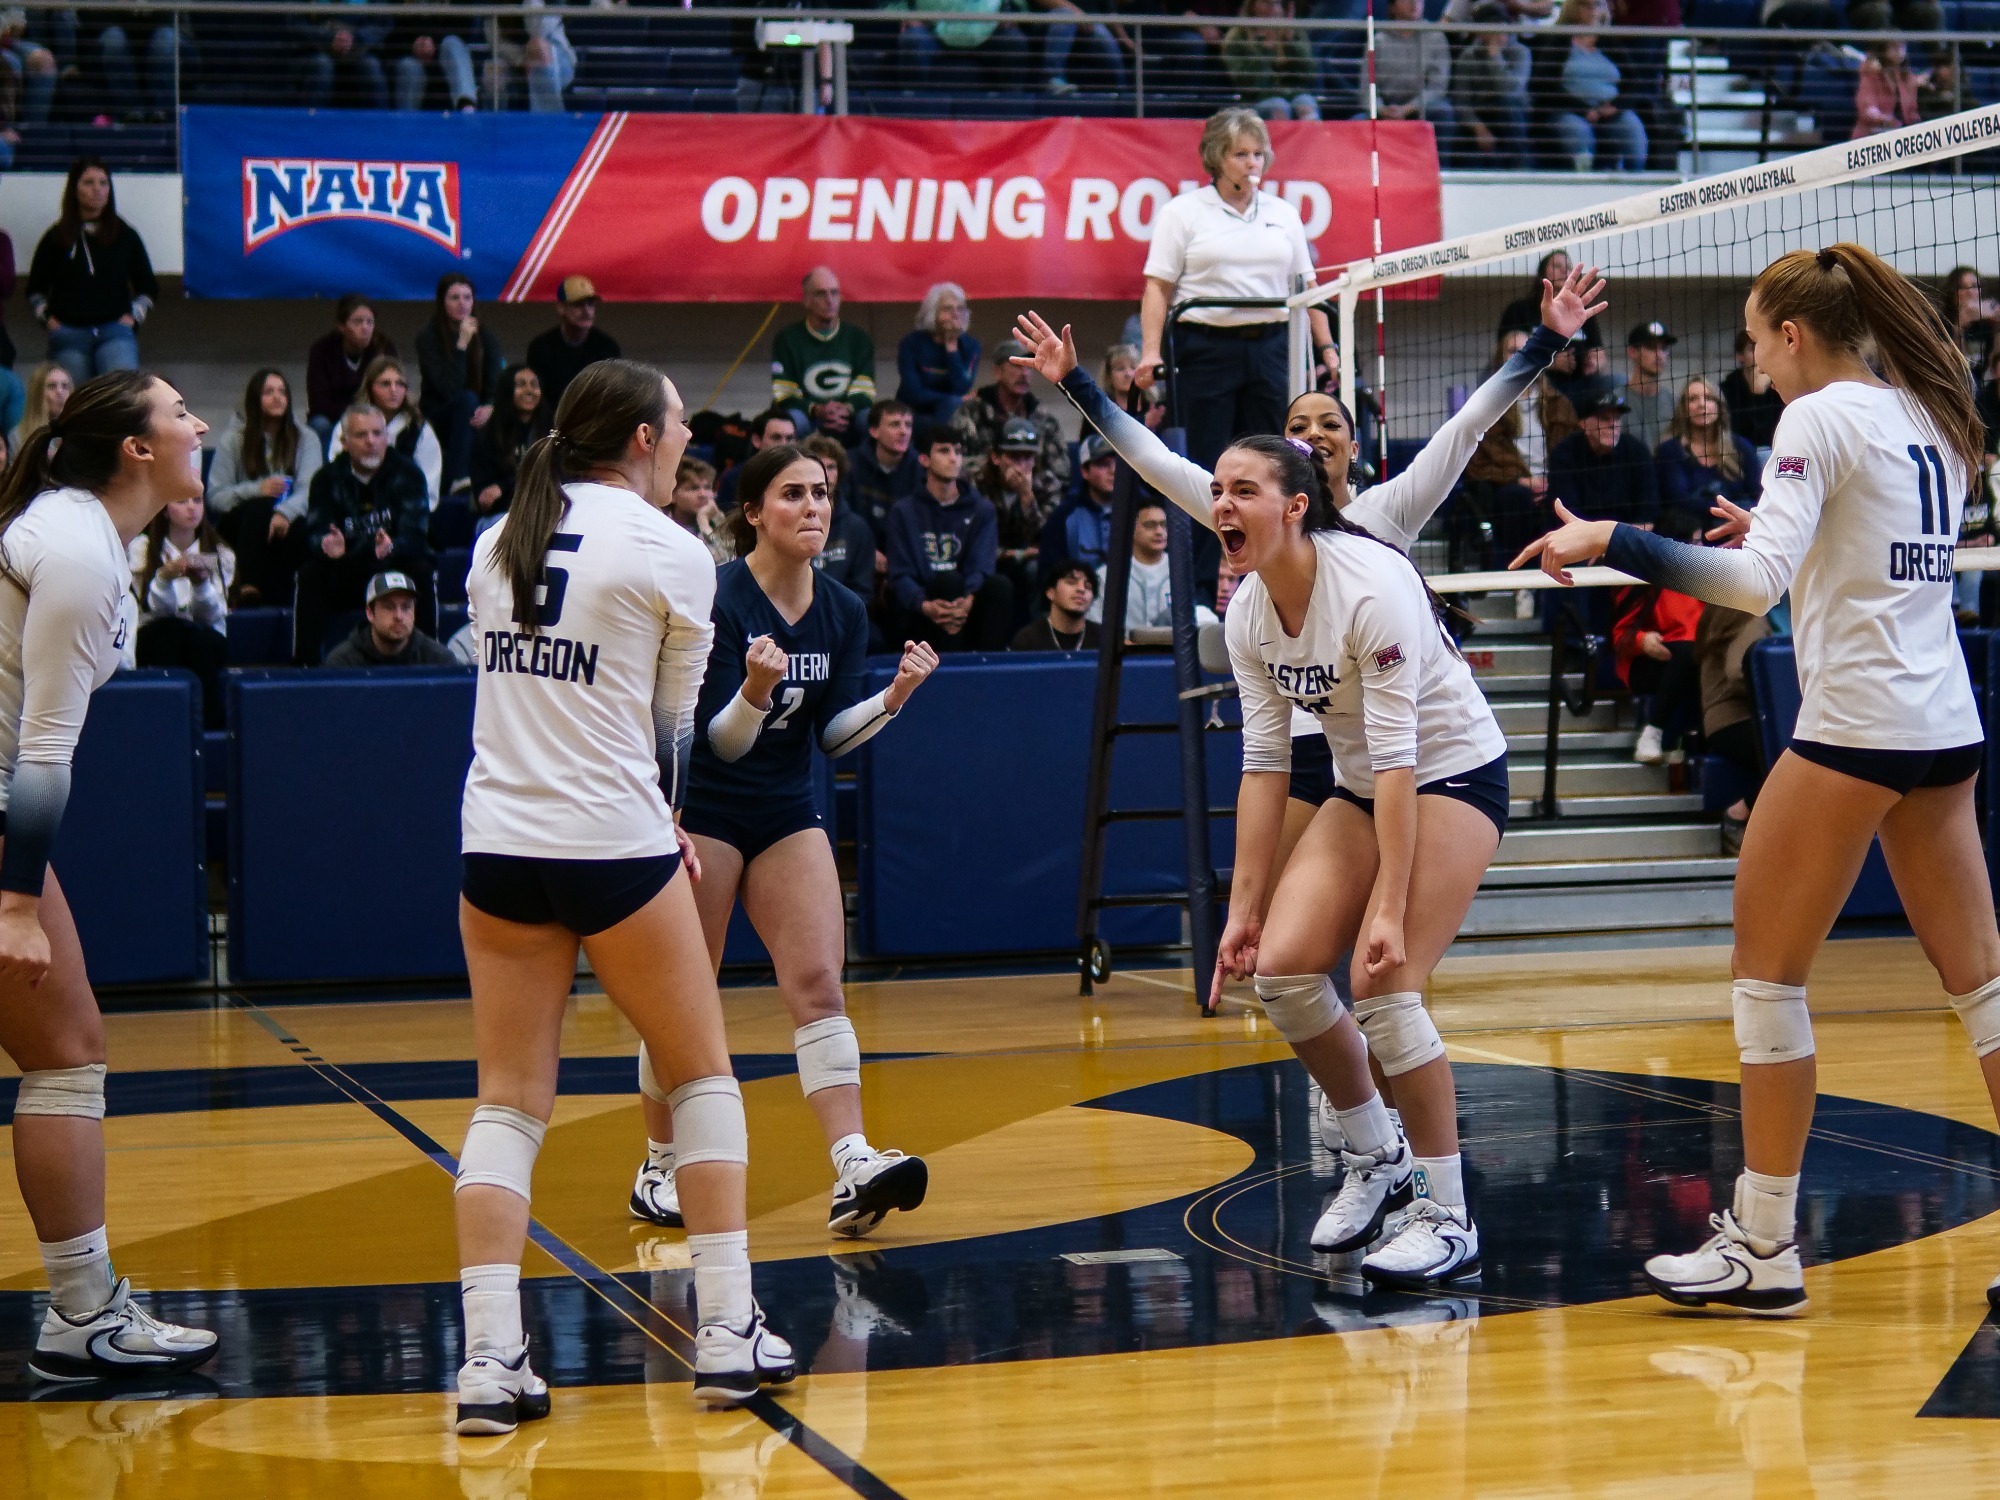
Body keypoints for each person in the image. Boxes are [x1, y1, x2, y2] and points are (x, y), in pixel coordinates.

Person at [1512, 241, 2000, 1318]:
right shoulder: (1926, 410)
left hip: (1855, 727)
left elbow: (1748, 584)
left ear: (1790, 333)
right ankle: (1760, 1240)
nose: (1748, 358)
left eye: (1749, 336)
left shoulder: (1816, 416)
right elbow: (1874, 554)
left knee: (1765, 977)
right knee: (1984, 993)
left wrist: (1609, 540)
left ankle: (1763, 1245)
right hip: (1943, 723)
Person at [1031, 320, 1512, 1283]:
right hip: (1354, 782)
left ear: (1296, 506)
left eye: (1241, 489)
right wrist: (1241, 910)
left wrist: (1383, 911)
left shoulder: (1369, 586)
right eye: (1215, 489)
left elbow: (1404, 766)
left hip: (1448, 774)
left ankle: (1449, 1214)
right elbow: (1261, 764)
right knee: (1285, 971)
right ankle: (1374, 1157)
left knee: (1385, 981)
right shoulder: (1250, 610)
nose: (1219, 502)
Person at [1022, 260, 1606, 912]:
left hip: (1394, 744)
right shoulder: (1247, 507)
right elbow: (1152, 460)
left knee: (1375, 934)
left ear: (1353, 447)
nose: (1312, 435)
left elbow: (1465, 426)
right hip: (1304, 742)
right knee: (1286, 919)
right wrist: (1075, 381)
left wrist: (1545, 342)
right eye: (1297, 426)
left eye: (1329, 424)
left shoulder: (1386, 510)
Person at [455, 357, 791, 1431]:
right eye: (681, 425)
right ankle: (728, 1330)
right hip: (611, 841)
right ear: (641, 438)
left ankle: (488, 1360)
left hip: (498, 842)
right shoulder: (671, 550)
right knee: (700, 1076)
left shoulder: (492, 541)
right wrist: (671, 828)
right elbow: (669, 731)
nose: (690, 439)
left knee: (507, 1099)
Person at [627, 442, 939, 1240]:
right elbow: (720, 744)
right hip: (704, 810)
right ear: (754, 513)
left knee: (819, 986)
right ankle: (657, 1166)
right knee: (679, 996)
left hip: (786, 807)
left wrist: (893, 699)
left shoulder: (841, 608)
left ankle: (853, 1162)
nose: (814, 507)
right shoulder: (718, 598)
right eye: (794, 494)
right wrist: (756, 692)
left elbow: (831, 741)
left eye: (823, 493)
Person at [0, 369, 219, 1381]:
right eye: (180, 413)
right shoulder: (82, 552)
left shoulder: (77, 532)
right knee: (67, 1053)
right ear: (137, 450)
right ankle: (84, 1315)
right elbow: (43, 755)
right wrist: (16, 901)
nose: (200, 421)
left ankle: (85, 1308)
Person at [1136, 108, 1337, 474]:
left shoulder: (1284, 213)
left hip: (1270, 348)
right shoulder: (1182, 212)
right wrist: (1151, 353)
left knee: (1269, 460)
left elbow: (1309, 289)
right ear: (1217, 158)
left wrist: (1328, 350)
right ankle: (1204, 532)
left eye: (1258, 154)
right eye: (1240, 155)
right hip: (1204, 349)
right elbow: (1157, 288)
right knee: (1205, 460)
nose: (1252, 164)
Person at [295, 403, 432, 664]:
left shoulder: (409, 474)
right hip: (345, 567)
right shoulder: (326, 479)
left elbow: (416, 534)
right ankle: (306, 665)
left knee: (422, 569)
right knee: (310, 574)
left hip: (392, 567)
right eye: (361, 435)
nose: (371, 441)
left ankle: (428, 662)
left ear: (387, 438)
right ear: (345, 442)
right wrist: (325, 543)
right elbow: (314, 531)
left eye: (377, 434)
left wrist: (394, 546)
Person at [26, 159, 157, 385]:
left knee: (122, 398)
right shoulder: (56, 237)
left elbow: (148, 286)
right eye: (88, 182)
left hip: (115, 332)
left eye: (103, 183)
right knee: (74, 405)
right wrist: (48, 319)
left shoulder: (125, 236)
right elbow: (35, 289)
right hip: (69, 335)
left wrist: (134, 316)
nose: (97, 189)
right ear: (74, 189)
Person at [886, 425, 1012, 651]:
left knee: (999, 586)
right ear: (924, 459)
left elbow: (982, 565)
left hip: (968, 606)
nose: (953, 458)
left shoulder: (981, 509)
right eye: (944, 451)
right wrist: (924, 605)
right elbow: (900, 573)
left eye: (958, 451)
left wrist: (967, 601)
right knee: (947, 581)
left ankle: (989, 669)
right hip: (923, 609)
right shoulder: (903, 511)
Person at [205, 368, 323, 608]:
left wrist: (284, 513)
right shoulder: (233, 439)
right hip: (241, 525)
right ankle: (248, 586)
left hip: (289, 520)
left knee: (299, 529)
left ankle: (288, 605)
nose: (277, 397)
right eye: (268, 392)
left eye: (282, 392)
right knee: (259, 509)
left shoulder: (306, 438)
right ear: (254, 399)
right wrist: (258, 490)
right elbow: (216, 496)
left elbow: (311, 489)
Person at [128, 489, 233, 726]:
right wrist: (163, 579)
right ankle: (163, 722)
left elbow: (210, 617)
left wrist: (201, 585)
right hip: (157, 631)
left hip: (205, 634)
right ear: (164, 509)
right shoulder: (141, 550)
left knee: (202, 642)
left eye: (197, 501)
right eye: (181, 501)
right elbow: (156, 613)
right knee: (169, 631)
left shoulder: (221, 554)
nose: (191, 508)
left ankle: (206, 728)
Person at [416, 273, 504, 500]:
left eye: (467, 297)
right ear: (442, 302)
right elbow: (448, 388)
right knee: (466, 399)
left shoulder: (487, 337)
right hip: (439, 415)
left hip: (475, 413)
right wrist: (461, 346)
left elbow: (496, 383)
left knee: (480, 405)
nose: (462, 303)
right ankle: (459, 477)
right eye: (454, 297)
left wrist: (492, 407)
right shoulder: (428, 337)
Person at [1696, 602, 1772, 855]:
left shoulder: (1720, 607)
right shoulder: (1748, 610)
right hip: (1735, 718)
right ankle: (1738, 812)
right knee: (1804, 760)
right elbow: (1740, 670)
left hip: (1719, 721)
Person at [1540, 0, 1647, 173]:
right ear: (1573, 9)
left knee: (1632, 128)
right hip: (1570, 110)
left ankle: (1636, 180)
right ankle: (1584, 179)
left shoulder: (1609, 42)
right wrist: (1583, 110)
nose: (1592, 11)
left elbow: (1634, 83)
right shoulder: (1559, 40)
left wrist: (1615, 106)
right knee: (1578, 132)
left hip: (1609, 109)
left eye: (1596, 5)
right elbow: (1545, 84)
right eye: (1586, 6)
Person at [772, 267, 877, 443]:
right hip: (808, 415)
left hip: (848, 414)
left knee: (872, 421)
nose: (830, 300)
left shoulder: (859, 338)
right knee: (792, 421)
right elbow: (784, 393)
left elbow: (865, 390)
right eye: (821, 294)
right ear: (806, 300)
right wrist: (816, 409)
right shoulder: (787, 339)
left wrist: (847, 409)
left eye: (834, 293)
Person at [951, 339, 1070, 495]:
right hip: (981, 500)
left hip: (1033, 503)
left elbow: (1062, 474)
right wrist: (997, 469)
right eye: (1016, 365)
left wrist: (1026, 479)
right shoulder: (971, 412)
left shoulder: (1044, 419)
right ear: (997, 371)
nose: (1024, 373)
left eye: (1029, 367)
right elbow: (952, 465)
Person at [1087, 499, 1219, 636]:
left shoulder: (1185, 572)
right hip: (1125, 654)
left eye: (1164, 525)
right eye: (1150, 525)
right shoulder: (1107, 575)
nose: (1159, 531)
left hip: (1171, 654)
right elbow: (1095, 626)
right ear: (1131, 529)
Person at [328, 355, 444, 510]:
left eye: (400, 384)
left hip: (406, 514)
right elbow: (336, 470)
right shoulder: (348, 424)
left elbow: (429, 487)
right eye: (385, 384)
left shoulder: (420, 430)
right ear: (370, 388)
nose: (394, 390)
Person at [1656, 375, 1759, 541]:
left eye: (1709, 398)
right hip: (1688, 539)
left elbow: (1758, 496)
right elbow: (1677, 501)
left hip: (1738, 534)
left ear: (1719, 405)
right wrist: (1730, 510)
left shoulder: (1742, 447)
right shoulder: (1669, 451)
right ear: (1684, 408)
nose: (1701, 404)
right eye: (1693, 399)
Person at [1613, 582, 1702, 767]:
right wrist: (1642, 641)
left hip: (1700, 655)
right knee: (1687, 654)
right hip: (1649, 660)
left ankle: (1690, 744)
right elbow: (1620, 636)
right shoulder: (1644, 572)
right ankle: (1653, 732)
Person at [1548, 391, 1658, 529]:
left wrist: (1620, 541)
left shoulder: (1637, 451)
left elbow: (1647, 514)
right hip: (1580, 538)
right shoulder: (1564, 454)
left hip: (1629, 538)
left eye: (1617, 418)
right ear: (1584, 424)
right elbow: (1567, 514)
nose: (1613, 425)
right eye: (1604, 418)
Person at [1358, 0, 1452, 146]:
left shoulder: (1436, 38)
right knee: (1356, 121)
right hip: (1386, 109)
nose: (1414, 3)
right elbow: (1366, 89)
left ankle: (1441, 169)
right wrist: (1382, 109)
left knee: (1443, 111)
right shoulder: (1378, 41)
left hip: (1421, 108)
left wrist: (1408, 108)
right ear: (1393, 6)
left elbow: (1437, 87)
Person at [306, 294, 396, 445]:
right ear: (341, 326)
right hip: (334, 416)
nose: (365, 328)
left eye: (370, 322)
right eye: (358, 322)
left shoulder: (384, 348)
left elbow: (393, 392)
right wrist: (354, 415)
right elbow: (318, 402)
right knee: (319, 424)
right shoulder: (322, 350)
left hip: (374, 414)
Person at [800, 433, 879, 602]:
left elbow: (863, 589)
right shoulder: (792, 520)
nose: (826, 474)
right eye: (818, 465)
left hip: (843, 618)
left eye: (831, 467)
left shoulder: (857, 528)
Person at [469, 366, 551, 529]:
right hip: (501, 517)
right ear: (507, 390)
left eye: (534, 385)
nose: (529, 391)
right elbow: (486, 499)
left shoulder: (552, 432)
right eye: (521, 385)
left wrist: (503, 486)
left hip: (545, 514)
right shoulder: (487, 437)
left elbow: (553, 478)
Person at [324, 569, 457, 666]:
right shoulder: (343, 663)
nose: (399, 616)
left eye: (406, 607)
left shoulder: (438, 660)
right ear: (370, 613)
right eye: (389, 607)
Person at [1452, 6, 1531, 169]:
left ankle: (1522, 171)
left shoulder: (1520, 52)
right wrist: (1478, 128)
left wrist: (1494, 57)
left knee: (1507, 104)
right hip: (1481, 115)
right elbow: (1461, 102)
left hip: (1513, 112)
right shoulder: (1468, 56)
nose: (1499, 34)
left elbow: (1510, 90)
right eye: (1493, 28)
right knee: (1471, 155)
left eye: (1503, 28)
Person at [525, 276, 620, 409]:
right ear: (560, 308)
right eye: (578, 304)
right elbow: (538, 399)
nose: (586, 311)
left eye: (590, 304)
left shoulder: (607, 347)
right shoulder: (541, 348)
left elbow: (612, 396)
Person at [1223, 0, 1322, 121]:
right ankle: (1281, 140)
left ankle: (1313, 140)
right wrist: (1266, 49)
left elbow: (1310, 74)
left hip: (1293, 94)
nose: (1273, 9)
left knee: (1306, 103)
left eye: (1276, 3)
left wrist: (1291, 43)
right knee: (1278, 106)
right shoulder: (1237, 36)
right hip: (1256, 100)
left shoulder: (1293, 32)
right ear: (1252, 5)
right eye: (1266, 3)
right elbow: (1245, 82)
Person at [897, 283, 980, 425]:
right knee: (952, 403)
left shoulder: (971, 346)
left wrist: (952, 348)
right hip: (914, 413)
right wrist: (952, 399)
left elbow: (961, 387)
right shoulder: (912, 343)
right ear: (932, 313)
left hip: (951, 412)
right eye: (947, 309)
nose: (955, 314)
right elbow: (913, 392)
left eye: (960, 308)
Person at [847, 399, 920, 543]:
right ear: (874, 431)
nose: (903, 431)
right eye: (895, 424)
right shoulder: (850, 463)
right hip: (860, 547)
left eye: (908, 425)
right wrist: (869, 550)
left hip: (902, 551)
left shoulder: (920, 469)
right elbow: (846, 519)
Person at [483, 0, 575, 112]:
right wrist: (523, 60)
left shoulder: (545, 4)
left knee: (537, 47)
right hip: (518, 63)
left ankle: (548, 121)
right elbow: (498, 46)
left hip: (558, 63)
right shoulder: (494, 9)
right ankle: (493, 124)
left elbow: (538, 31)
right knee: (492, 67)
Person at [388, 0, 477, 111]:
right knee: (409, 67)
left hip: (444, 48)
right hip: (410, 50)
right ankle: (406, 124)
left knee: (453, 44)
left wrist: (434, 41)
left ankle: (467, 110)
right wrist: (414, 44)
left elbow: (465, 27)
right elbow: (392, 28)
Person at [1615, 320, 1677, 455]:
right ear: (1632, 352)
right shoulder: (1615, 401)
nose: (1659, 355)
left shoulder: (1675, 403)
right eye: (1650, 347)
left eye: (1664, 349)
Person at [717, 410, 798, 512]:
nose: (784, 444)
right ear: (756, 440)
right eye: (776, 437)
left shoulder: (806, 474)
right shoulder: (734, 478)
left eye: (789, 438)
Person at [1011, 562, 1103, 651]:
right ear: (1051, 593)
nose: (1081, 589)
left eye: (1087, 587)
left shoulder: (1105, 638)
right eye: (1071, 583)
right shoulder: (1028, 639)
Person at [1065, 435, 1121, 572]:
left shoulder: (1143, 509)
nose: (1113, 471)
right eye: (1103, 464)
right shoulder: (1065, 514)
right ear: (1084, 471)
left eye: (1119, 463)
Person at [1723, 329, 1784, 451]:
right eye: (1752, 349)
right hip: (1739, 454)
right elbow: (1742, 433)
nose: (1759, 355)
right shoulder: (1727, 389)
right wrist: (1757, 395)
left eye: (1763, 349)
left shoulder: (1781, 386)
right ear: (1740, 356)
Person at [1852, 38, 1923, 140]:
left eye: (1902, 46)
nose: (1899, 50)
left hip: (1903, 136)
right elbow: (1868, 109)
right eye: (1894, 46)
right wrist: (1886, 120)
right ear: (1883, 49)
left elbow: (1912, 111)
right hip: (1874, 135)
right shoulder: (1870, 74)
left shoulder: (1907, 77)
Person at [668, 456, 733, 565]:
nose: (703, 495)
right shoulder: (663, 526)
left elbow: (726, 563)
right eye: (693, 488)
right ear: (672, 495)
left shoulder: (719, 522)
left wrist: (704, 522)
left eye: (707, 487)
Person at [1942, 266, 1995, 387]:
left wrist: (1998, 328)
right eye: (1962, 287)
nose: (1970, 292)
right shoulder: (1940, 322)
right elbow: (1953, 367)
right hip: (1954, 386)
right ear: (1952, 293)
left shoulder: (1986, 324)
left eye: (1975, 286)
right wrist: (1959, 327)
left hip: (1985, 391)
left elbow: (1994, 368)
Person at [11, 361, 69, 453]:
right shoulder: (17, 435)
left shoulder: (79, 431)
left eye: (65, 386)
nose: (60, 392)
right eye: (52, 386)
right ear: (37, 394)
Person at [1103, 343, 1164, 431]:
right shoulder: (1100, 409)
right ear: (1109, 377)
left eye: (1133, 367)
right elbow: (1088, 442)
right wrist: (1143, 422)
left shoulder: (1157, 408)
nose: (1128, 374)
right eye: (1120, 369)